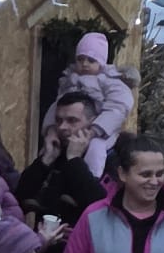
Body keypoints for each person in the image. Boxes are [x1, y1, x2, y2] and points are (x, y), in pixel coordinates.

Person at [36, 31, 136, 176]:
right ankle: (43, 173)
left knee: (96, 148)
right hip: (74, 129)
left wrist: (96, 129)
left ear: (101, 63)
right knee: (51, 146)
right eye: (80, 59)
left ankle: (91, 177)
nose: (84, 64)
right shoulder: (70, 81)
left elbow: (118, 107)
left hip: (102, 132)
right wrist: (51, 128)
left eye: (91, 60)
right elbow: (57, 106)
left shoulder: (110, 81)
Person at [19, 91, 113, 235]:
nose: (62, 127)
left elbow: (99, 204)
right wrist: (45, 160)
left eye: (72, 121)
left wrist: (74, 160)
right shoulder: (55, 153)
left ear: (92, 123)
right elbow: (20, 197)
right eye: (58, 120)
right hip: (47, 244)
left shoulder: (107, 156)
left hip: (85, 243)